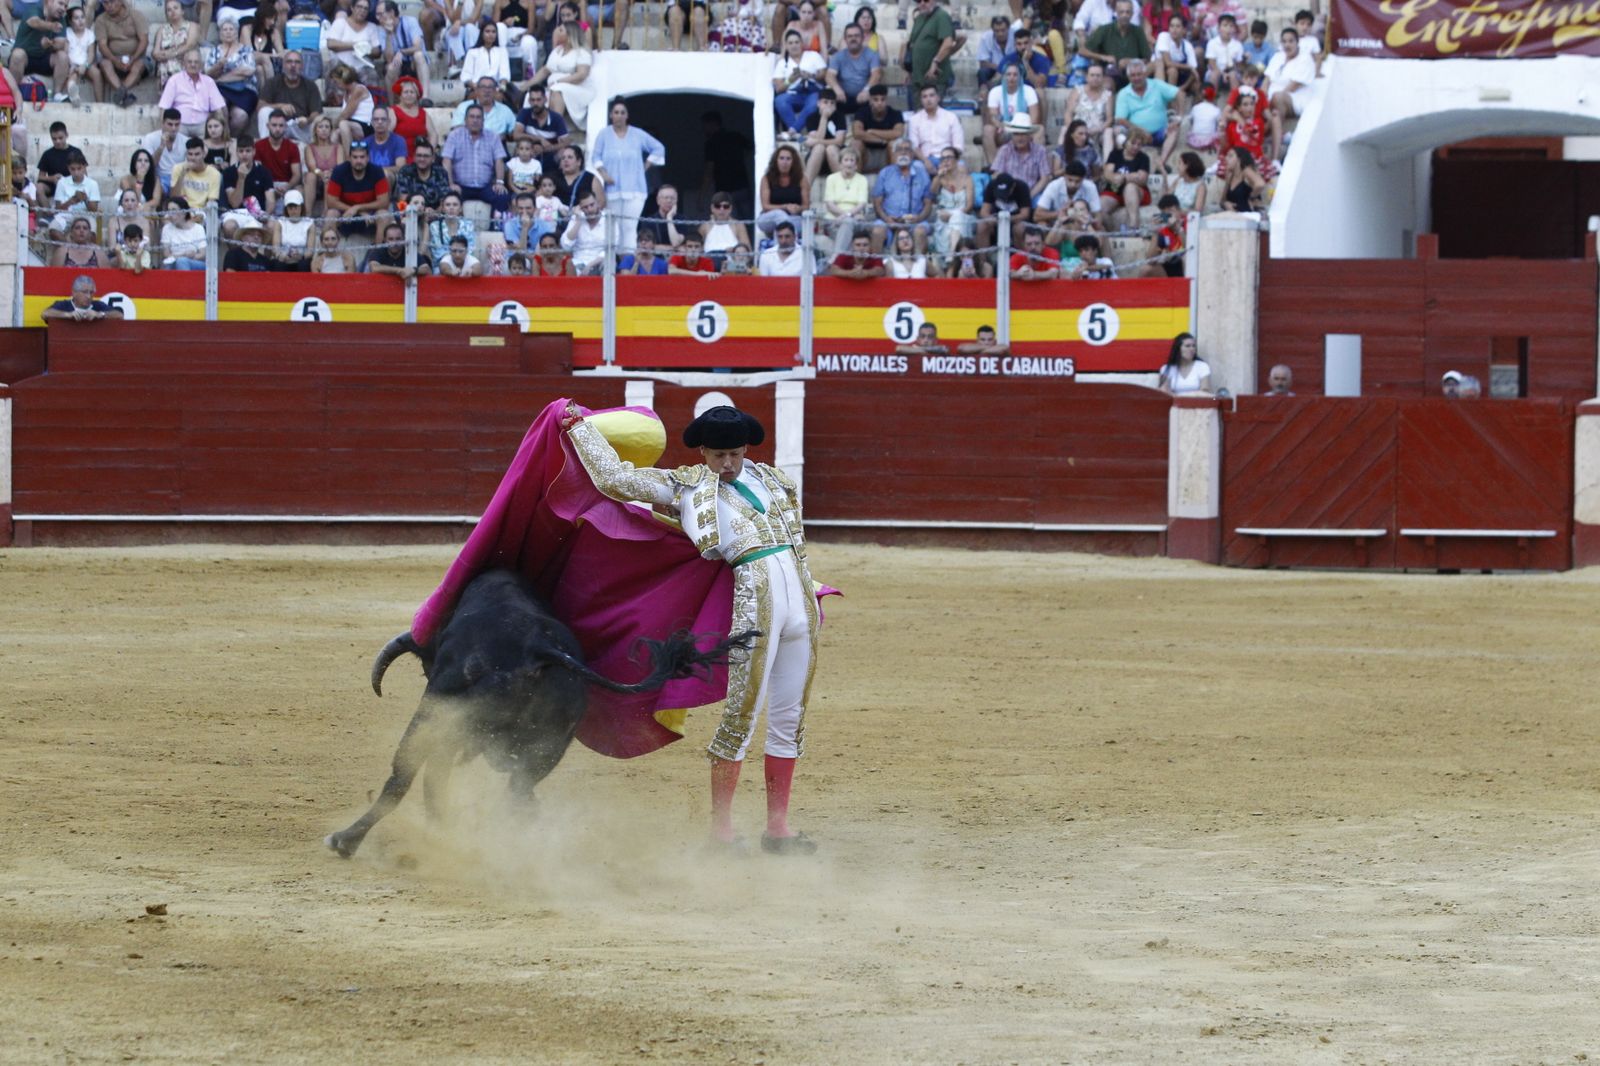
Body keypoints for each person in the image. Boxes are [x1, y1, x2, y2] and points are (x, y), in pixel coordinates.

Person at [561, 403, 824, 854]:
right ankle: (721, 833)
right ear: (702, 452)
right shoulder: (683, 486)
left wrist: (814, 591)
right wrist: (578, 429)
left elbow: (792, 550)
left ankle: (778, 831)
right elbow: (616, 480)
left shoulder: (775, 480)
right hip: (753, 605)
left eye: (736, 454)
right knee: (741, 717)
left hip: (800, 605)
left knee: (790, 718)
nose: (728, 464)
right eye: (719, 456)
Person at [591, 97, 665, 255]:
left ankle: (628, 262)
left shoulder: (637, 134)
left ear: (627, 115)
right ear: (611, 115)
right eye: (616, 112)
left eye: (622, 112)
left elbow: (658, 148)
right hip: (612, 189)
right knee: (613, 226)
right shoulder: (604, 134)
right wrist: (604, 174)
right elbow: (595, 157)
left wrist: (646, 165)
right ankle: (612, 263)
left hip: (635, 189)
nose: (619, 115)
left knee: (629, 227)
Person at [440, 103, 510, 212]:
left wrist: (499, 182)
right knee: (448, 197)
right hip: (461, 186)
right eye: (472, 117)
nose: (475, 120)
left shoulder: (493, 137)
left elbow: (499, 160)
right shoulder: (454, 135)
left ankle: (495, 228)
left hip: (485, 186)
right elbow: (446, 160)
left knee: (502, 196)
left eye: (478, 117)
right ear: (465, 120)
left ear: (483, 120)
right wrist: (451, 184)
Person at [526, 20, 595, 129]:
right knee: (533, 93)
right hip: (555, 86)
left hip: (578, 88)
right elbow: (545, 70)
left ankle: (555, 127)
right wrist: (526, 85)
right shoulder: (557, 50)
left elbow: (581, 75)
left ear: (569, 34)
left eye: (561, 30)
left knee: (557, 89)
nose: (557, 33)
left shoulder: (582, 52)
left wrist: (559, 81)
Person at [871, 139, 931, 254]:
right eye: (899, 150)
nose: (903, 153)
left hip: (915, 221)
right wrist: (887, 219)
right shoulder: (885, 173)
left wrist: (918, 218)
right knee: (878, 231)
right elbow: (877, 202)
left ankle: (917, 268)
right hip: (888, 220)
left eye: (907, 150)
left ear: (912, 154)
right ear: (893, 154)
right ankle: (877, 267)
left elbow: (928, 203)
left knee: (920, 231)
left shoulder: (922, 174)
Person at [1264, 27, 1314, 161]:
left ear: (1297, 42)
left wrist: (1267, 104)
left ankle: (1268, 129)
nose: (1287, 45)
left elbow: (1292, 86)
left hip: (1294, 99)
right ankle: (1274, 159)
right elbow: (1267, 80)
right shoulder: (1278, 56)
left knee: (1278, 97)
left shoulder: (1305, 58)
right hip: (1273, 104)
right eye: (1284, 41)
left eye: (1291, 41)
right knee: (1274, 114)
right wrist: (1261, 99)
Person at [254, 48, 322, 143]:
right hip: (278, 125)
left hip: (299, 127)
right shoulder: (273, 82)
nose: (293, 65)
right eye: (289, 62)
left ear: (302, 66)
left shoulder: (310, 85)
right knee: (264, 112)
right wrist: (280, 106)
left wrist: (307, 120)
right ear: (283, 65)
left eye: (297, 62)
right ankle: (267, 147)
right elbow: (260, 106)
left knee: (319, 121)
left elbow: (316, 112)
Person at [325, 139, 390, 235]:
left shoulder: (377, 171)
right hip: (346, 214)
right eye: (355, 157)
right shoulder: (339, 171)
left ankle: (378, 248)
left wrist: (357, 208)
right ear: (349, 158)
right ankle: (330, 249)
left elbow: (384, 202)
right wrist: (357, 211)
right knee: (331, 214)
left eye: (362, 157)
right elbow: (331, 202)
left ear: (368, 158)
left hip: (370, 215)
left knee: (384, 215)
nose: (358, 161)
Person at [206, 15, 258, 135]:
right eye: (225, 29)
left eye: (231, 29)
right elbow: (208, 74)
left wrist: (222, 78)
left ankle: (231, 138)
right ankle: (223, 138)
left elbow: (248, 71)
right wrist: (218, 66)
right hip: (220, 89)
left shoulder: (246, 50)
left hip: (245, 88)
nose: (228, 32)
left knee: (240, 116)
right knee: (220, 106)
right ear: (220, 33)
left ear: (237, 32)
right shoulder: (214, 51)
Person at [160, 49, 228, 138]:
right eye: (189, 62)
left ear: (201, 64)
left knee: (207, 144)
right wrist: (163, 131)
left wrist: (225, 130)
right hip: (179, 124)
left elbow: (219, 108)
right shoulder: (174, 80)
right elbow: (164, 107)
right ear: (184, 64)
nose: (193, 65)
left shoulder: (209, 82)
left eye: (196, 62)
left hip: (203, 124)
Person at [95, 0, 153, 106]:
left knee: (139, 65)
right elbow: (102, 45)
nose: (109, 6)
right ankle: (124, 95)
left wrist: (133, 58)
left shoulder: (136, 15)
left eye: (112, 2)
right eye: (105, 3)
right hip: (113, 59)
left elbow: (144, 41)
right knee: (104, 64)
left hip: (137, 58)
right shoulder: (100, 20)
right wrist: (115, 60)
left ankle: (121, 92)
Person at [10, 0, 69, 101]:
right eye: (60, 3)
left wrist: (50, 44)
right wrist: (51, 26)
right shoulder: (34, 9)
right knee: (17, 54)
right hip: (25, 58)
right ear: (49, 1)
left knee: (62, 56)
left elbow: (61, 43)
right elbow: (34, 22)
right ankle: (14, 93)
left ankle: (57, 95)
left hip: (44, 58)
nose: (63, 8)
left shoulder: (60, 19)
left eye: (65, 6)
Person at [770, 29, 824, 140]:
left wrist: (810, 75)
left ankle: (792, 132)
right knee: (780, 101)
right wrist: (790, 80)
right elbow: (779, 88)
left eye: (796, 42)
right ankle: (796, 133)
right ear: (786, 46)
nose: (794, 46)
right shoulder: (782, 63)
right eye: (790, 43)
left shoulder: (813, 55)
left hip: (812, 91)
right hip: (794, 94)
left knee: (814, 104)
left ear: (802, 43)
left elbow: (823, 74)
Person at [1082, 0, 1149, 88]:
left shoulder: (1138, 31)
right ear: (1116, 13)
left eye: (1128, 12)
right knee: (1107, 85)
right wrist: (1103, 57)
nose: (1124, 15)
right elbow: (1082, 51)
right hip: (1110, 73)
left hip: (1134, 73)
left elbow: (1146, 58)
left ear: (1132, 14)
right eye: (1121, 12)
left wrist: (1131, 61)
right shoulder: (1104, 30)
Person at [983, 63, 1040, 165]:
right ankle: (994, 167)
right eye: (1008, 74)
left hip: (1024, 129)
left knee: (1040, 130)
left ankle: (1036, 165)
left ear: (1020, 77)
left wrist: (1023, 130)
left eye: (1015, 74)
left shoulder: (1029, 91)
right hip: (1004, 130)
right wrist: (1001, 126)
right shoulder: (995, 92)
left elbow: (1034, 117)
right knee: (988, 130)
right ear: (1003, 77)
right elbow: (993, 116)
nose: (1011, 78)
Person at [902, 0, 960, 96]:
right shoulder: (919, 17)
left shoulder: (942, 16)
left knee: (933, 110)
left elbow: (948, 42)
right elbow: (913, 44)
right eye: (919, 1)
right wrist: (909, 71)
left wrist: (935, 62)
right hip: (917, 78)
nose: (922, 3)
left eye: (926, 0)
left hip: (934, 80)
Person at [991, 115, 1052, 202]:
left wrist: (1028, 196)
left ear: (1030, 135)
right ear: (1012, 135)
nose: (1020, 138)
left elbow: (1044, 178)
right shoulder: (1005, 150)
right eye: (1016, 134)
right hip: (1008, 194)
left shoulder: (1040, 151)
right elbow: (997, 175)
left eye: (1023, 134)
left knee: (1042, 203)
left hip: (1032, 193)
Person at [927, 146, 971, 264]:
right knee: (947, 223)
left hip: (962, 218)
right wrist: (939, 176)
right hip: (943, 218)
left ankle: (951, 254)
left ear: (957, 160)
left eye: (949, 157)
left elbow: (969, 206)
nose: (945, 161)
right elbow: (931, 193)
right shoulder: (940, 179)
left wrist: (953, 214)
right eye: (943, 158)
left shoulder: (967, 179)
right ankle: (949, 259)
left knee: (957, 217)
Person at [1064, 62, 1115, 161]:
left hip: (1097, 131)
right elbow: (1068, 113)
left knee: (1109, 131)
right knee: (1064, 130)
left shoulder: (1108, 95)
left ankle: (1107, 165)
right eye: (1092, 75)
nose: (1095, 78)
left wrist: (1097, 129)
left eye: (1098, 76)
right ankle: (1064, 162)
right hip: (1077, 129)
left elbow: (1109, 119)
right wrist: (1073, 130)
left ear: (1102, 78)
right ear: (1086, 77)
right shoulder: (1078, 91)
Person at [825, 22, 880, 115]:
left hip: (864, 97)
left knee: (875, 97)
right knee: (827, 96)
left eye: (856, 36)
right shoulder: (838, 56)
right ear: (845, 39)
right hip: (842, 97)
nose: (853, 39)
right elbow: (829, 75)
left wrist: (866, 90)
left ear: (862, 38)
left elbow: (876, 74)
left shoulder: (872, 54)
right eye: (849, 36)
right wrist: (837, 89)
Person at [906, 84, 961, 176]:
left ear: (938, 98)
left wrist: (947, 161)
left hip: (948, 158)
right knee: (916, 166)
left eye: (932, 95)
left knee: (961, 166)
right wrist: (926, 161)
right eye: (925, 97)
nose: (928, 99)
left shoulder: (951, 117)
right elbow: (913, 146)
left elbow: (958, 147)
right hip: (925, 159)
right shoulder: (914, 120)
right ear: (921, 100)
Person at [755, 143, 808, 237]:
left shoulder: (801, 179)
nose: (785, 162)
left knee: (797, 221)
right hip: (769, 218)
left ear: (793, 162)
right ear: (776, 161)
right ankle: (787, 243)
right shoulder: (767, 178)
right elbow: (765, 206)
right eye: (781, 158)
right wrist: (785, 207)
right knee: (779, 215)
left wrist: (797, 208)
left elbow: (806, 206)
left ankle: (781, 244)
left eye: (788, 159)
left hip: (794, 218)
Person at [849, 84, 902, 174]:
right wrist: (881, 140)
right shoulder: (862, 112)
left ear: (887, 100)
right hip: (866, 153)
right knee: (856, 143)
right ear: (870, 100)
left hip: (887, 153)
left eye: (883, 99)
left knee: (894, 144)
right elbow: (857, 133)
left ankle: (894, 180)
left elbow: (898, 133)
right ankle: (855, 180)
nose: (879, 103)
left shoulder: (895, 113)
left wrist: (873, 131)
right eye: (875, 99)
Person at [513, 83, 570, 165]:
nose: (535, 103)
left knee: (563, 152)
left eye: (538, 100)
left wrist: (544, 149)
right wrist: (539, 139)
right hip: (528, 152)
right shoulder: (524, 113)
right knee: (518, 150)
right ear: (529, 101)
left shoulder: (556, 118)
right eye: (532, 100)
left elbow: (566, 142)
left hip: (550, 154)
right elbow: (516, 135)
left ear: (545, 99)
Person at [800, 89, 846, 185]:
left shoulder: (840, 117)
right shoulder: (811, 118)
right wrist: (824, 118)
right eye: (825, 102)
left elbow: (840, 141)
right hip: (817, 159)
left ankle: (843, 187)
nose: (829, 105)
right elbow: (818, 138)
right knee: (819, 148)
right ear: (818, 103)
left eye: (832, 103)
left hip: (836, 157)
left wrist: (815, 141)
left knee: (830, 149)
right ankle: (806, 188)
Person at [151, 0, 200, 87]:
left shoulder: (192, 26)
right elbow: (155, 52)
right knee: (166, 65)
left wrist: (171, 54)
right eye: (169, 10)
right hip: (165, 66)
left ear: (182, 11)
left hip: (186, 63)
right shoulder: (162, 29)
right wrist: (160, 55)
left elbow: (190, 45)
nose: (172, 11)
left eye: (175, 8)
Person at [393, 138, 451, 212]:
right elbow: (401, 201)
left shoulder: (441, 173)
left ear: (433, 158)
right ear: (414, 157)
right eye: (419, 155)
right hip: (410, 214)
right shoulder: (405, 172)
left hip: (435, 214)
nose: (422, 159)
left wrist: (435, 213)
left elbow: (444, 201)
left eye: (426, 156)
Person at [169, 137, 223, 210]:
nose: (193, 158)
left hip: (202, 212)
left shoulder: (214, 174)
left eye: (197, 154)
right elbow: (173, 197)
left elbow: (211, 201)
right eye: (190, 154)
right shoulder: (178, 168)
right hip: (181, 211)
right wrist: (182, 174)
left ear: (203, 154)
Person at [560, 191, 607, 273]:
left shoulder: (608, 220)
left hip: (599, 263)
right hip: (578, 263)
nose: (590, 209)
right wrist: (579, 221)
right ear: (580, 208)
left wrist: (590, 265)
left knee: (607, 265)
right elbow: (566, 245)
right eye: (585, 207)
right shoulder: (576, 218)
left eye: (592, 205)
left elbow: (611, 249)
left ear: (597, 203)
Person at [42, 274, 125, 321]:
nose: (89, 296)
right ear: (74, 292)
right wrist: (68, 314)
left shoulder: (98, 305)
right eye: (84, 292)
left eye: (91, 292)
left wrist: (100, 314)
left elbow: (119, 315)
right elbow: (45, 314)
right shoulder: (64, 305)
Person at [698, 193, 750, 264]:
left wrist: (735, 250)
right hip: (709, 267)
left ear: (730, 209)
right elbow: (697, 248)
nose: (721, 209)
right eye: (717, 206)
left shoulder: (738, 225)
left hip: (732, 267)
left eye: (726, 206)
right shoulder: (704, 226)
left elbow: (748, 250)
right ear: (712, 208)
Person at [271, 188, 315, 269]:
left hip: (301, 259)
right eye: (290, 208)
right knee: (278, 264)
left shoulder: (309, 223)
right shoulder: (280, 222)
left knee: (304, 265)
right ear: (286, 209)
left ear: (301, 207)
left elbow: (310, 250)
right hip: (284, 258)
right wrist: (280, 256)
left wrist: (301, 256)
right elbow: (275, 246)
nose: (293, 211)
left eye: (296, 207)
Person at [160, 197, 208, 269]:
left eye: (173, 210)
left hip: (194, 261)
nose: (170, 214)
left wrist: (191, 256)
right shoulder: (167, 228)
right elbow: (166, 254)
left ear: (184, 213)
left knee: (182, 262)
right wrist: (183, 255)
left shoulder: (198, 228)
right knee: (168, 264)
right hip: (174, 261)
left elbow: (203, 254)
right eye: (169, 210)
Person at [1219, 145, 1265, 212]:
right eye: (1226, 156)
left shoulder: (1246, 171)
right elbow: (1222, 201)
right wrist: (1225, 204)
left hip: (1249, 215)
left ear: (1239, 159)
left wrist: (1251, 198)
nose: (1226, 158)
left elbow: (1260, 184)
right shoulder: (1230, 175)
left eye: (1230, 156)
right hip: (1234, 215)